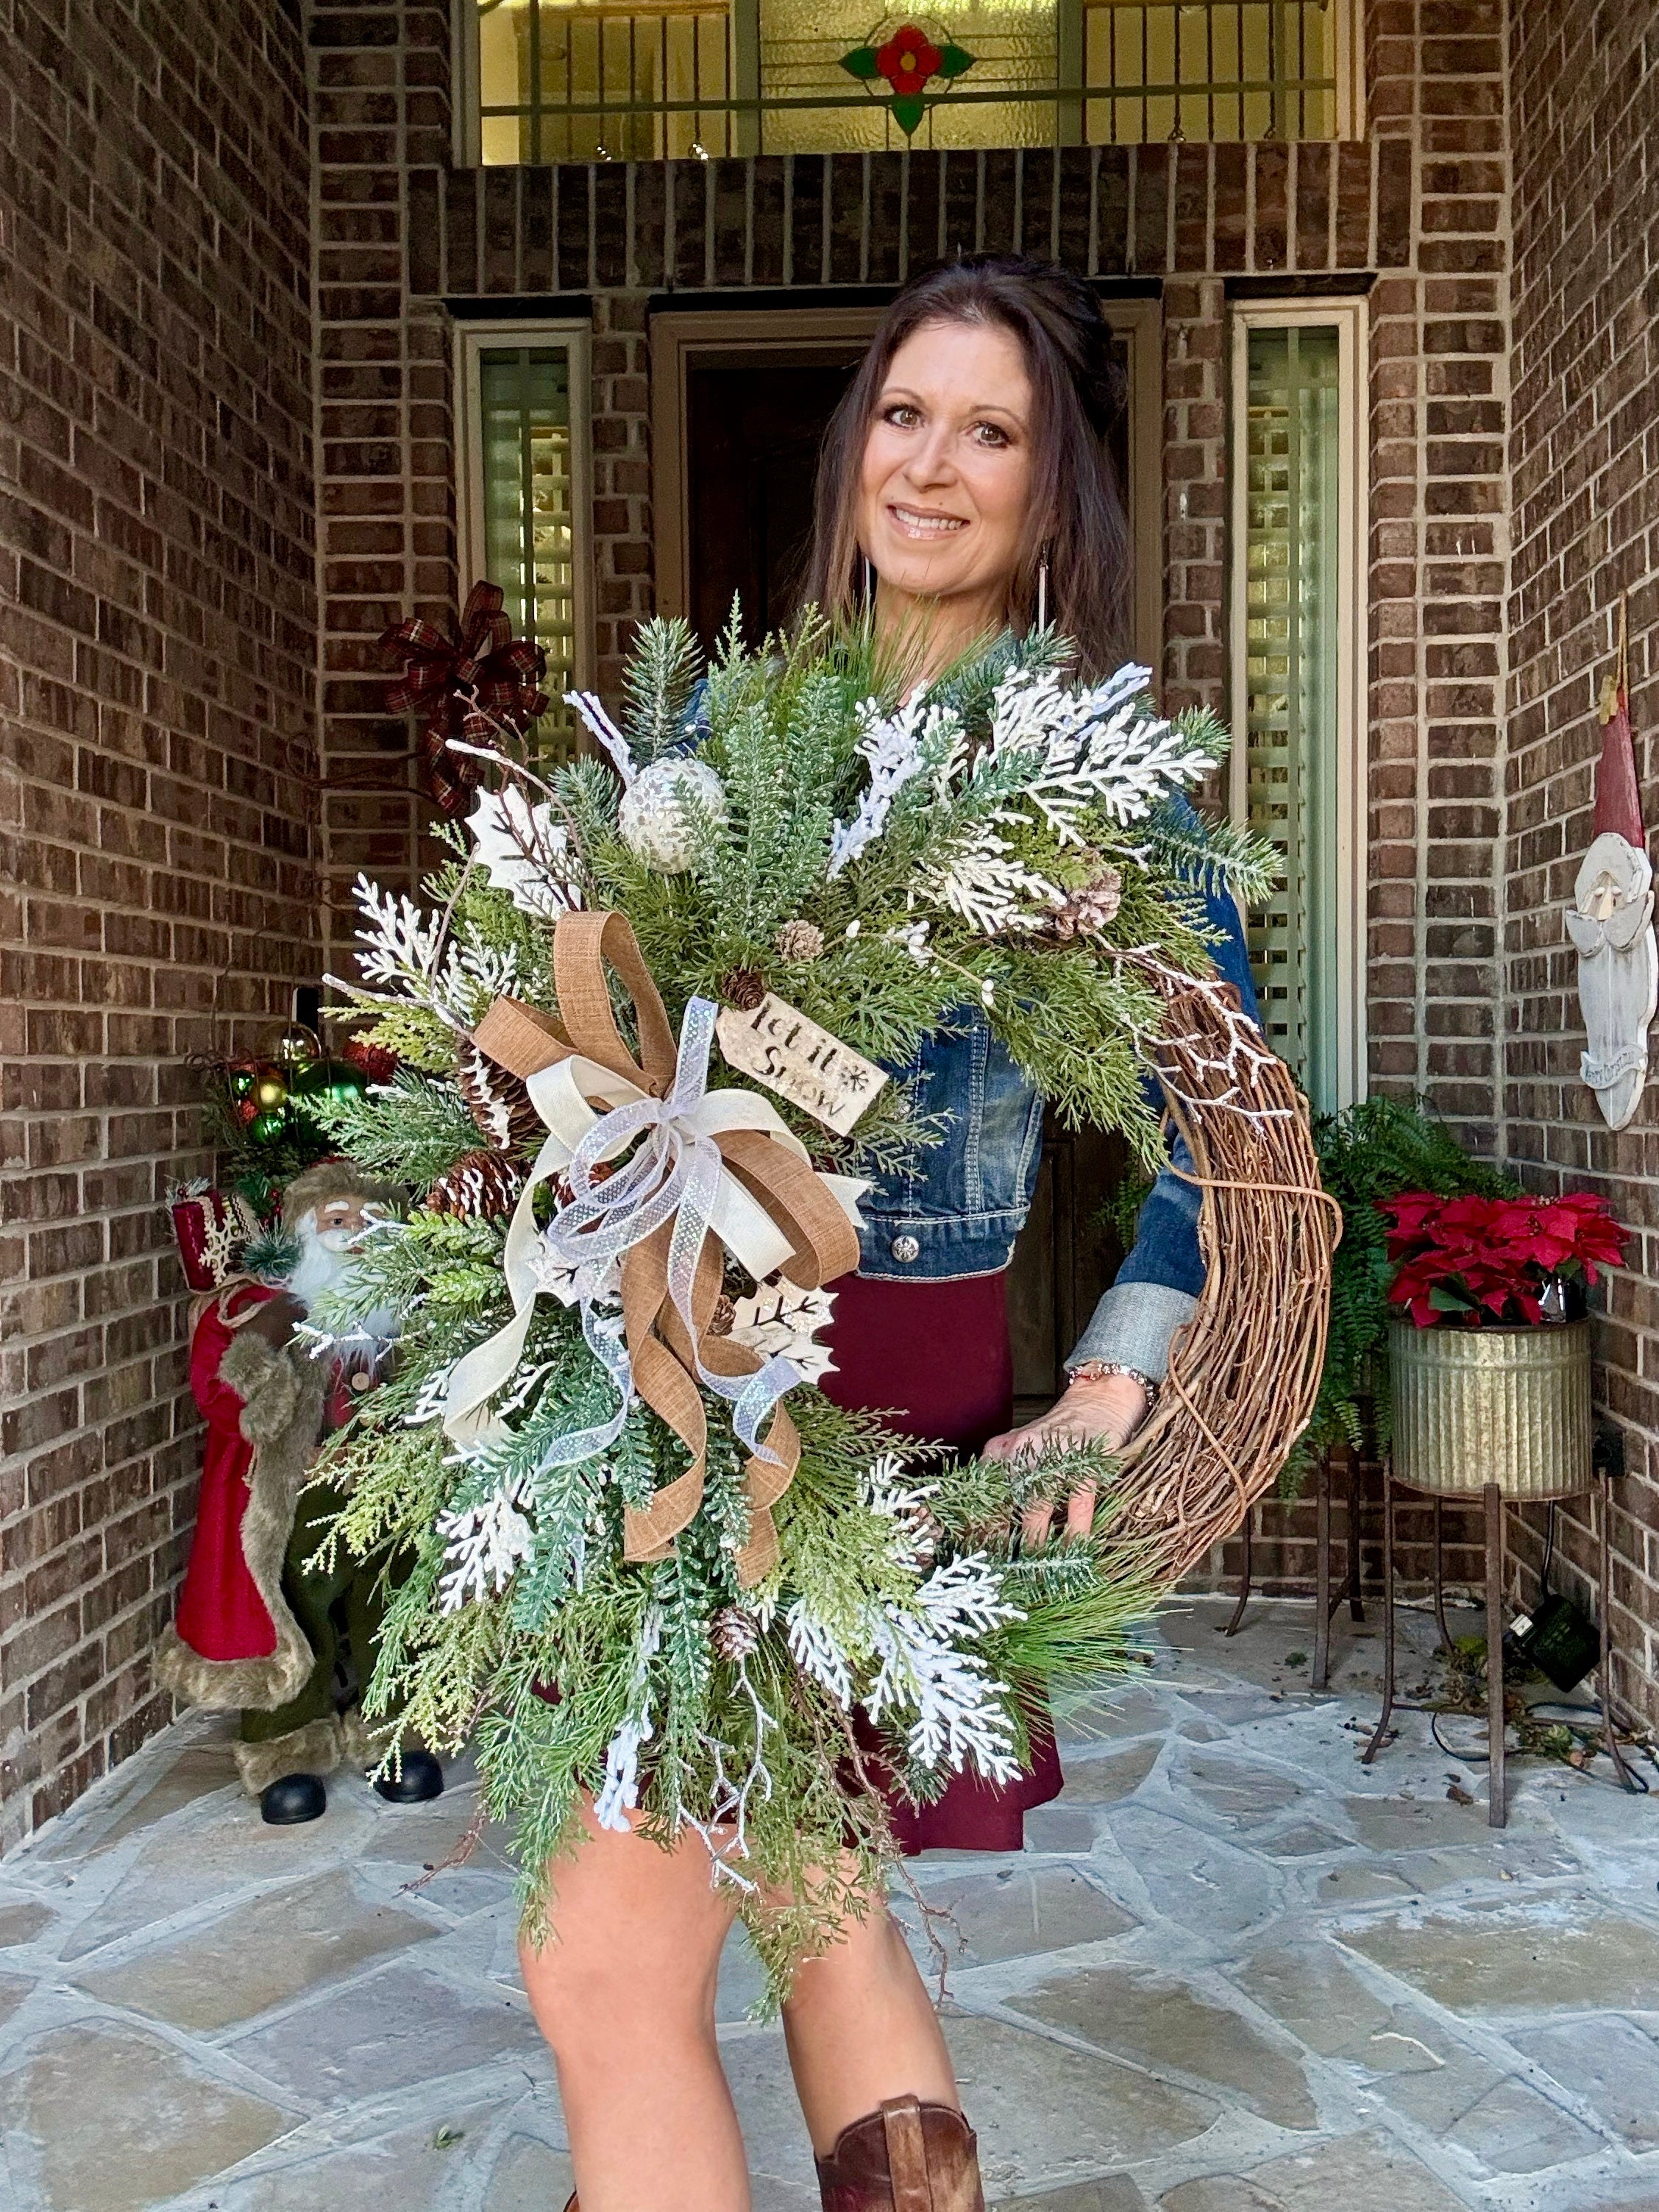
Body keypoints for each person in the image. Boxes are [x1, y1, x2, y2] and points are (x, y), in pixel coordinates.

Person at [519, 254, 1258, 2212]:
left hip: (836, 1398)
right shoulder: (754, 728)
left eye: (987, 430)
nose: (928, 465)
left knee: (598, 1961)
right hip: (666, 1360)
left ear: (1052, 487)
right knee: (814, 1895)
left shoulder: (1085, 777)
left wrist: (1110, 1380)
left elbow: (1230, 1129)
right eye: (905, 415)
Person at [158, 1160, 445, 1823]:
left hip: (392, 1486)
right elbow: (222, 1395)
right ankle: (286, 1750)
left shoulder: (419, 1315)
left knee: (394, 1608)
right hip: (300, 1497)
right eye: (338, 1222)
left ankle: (395, 1733)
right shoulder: (254, 1311)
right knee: (293, 1615)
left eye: (372, 1224)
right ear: (304, 1231)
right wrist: (268, 1357)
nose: (354, 1238)